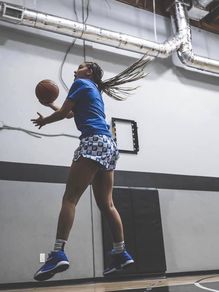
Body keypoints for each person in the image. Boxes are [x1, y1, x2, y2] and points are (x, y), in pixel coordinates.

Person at [31, 57, 149, 281]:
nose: (76, 70)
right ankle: (120, 251)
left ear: (89, 72)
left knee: (70, 198)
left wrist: (45, 120)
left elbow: (63, 113)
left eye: (81, 67)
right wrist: (50, 106)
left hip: (93, 141)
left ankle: (57, 253)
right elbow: (69, 113)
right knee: (107, 204)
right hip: (109, 144)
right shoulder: (93, 90)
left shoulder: (80, 84)